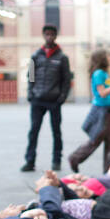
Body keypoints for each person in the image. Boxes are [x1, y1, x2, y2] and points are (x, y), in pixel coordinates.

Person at [21, 25, 73, 172]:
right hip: (37, 100)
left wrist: (62, 97)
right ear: (43, 36)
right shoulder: (35, 56)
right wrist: (30, 93)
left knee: (56, 131)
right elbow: (30, 76)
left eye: (52, 34)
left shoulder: (62, 58)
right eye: (47, 34)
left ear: (55, 36)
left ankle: (56, 161)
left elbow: (66, 80)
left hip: (54, 101)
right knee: (34, 131)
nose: (49, 37)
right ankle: (30, 161)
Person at [68, 49, 110, 174]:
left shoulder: (104, 73)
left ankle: (108, 171)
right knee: (97, 139)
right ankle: (75, 158)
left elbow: (106, 92)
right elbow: (102, 93)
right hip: (102, 111)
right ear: (102, 58)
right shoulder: (98, 74)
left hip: (109, 110)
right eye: (108, 55)